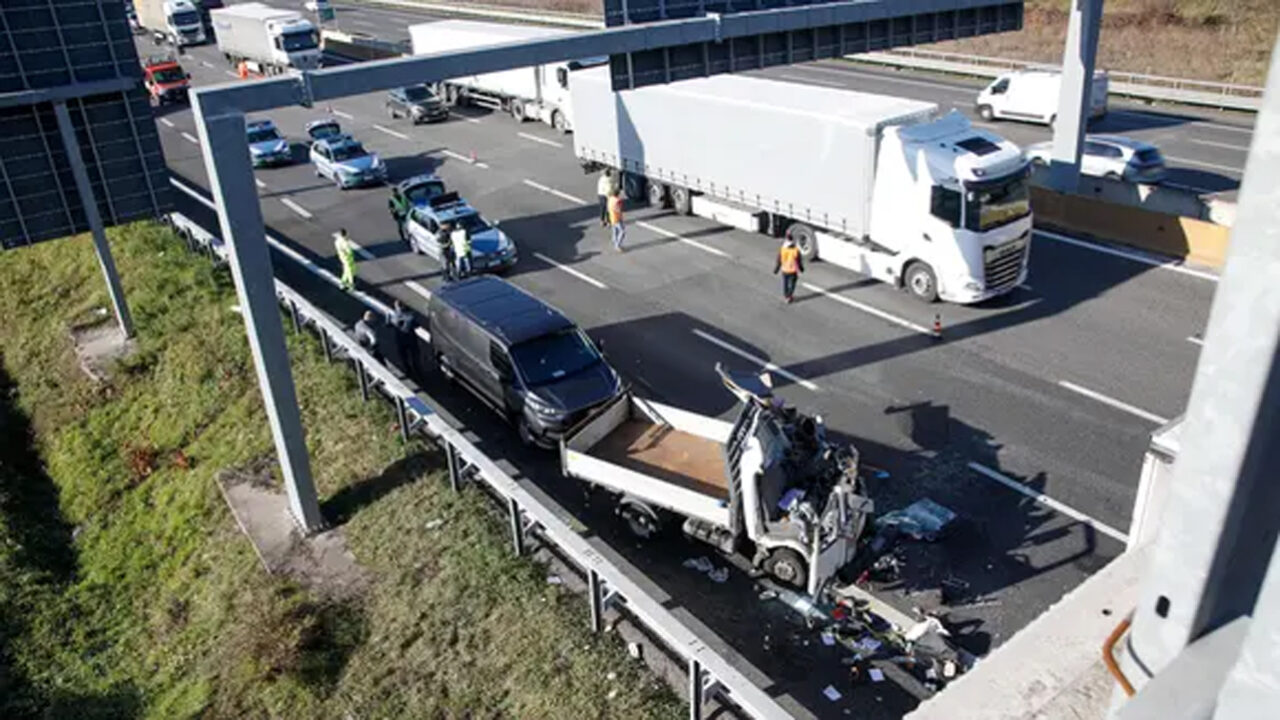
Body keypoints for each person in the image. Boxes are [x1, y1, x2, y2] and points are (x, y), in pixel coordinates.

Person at [387, 300, 421, 379]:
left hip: (400, 340)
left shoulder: (393, 316)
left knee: (403, 357)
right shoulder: (410, 316)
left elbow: (388, 325)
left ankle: (408, 371)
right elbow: (417, 325)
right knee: (415, 356)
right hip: (411, 339)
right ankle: (418, 371)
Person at [773, 235, 804, 303]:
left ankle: (786, 296)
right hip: (793, 270)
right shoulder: (796, 250)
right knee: (792, 284)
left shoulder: (782, 249)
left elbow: (779, 260)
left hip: (784, 270)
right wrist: (801, 269)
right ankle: (789, 296)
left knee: (785, 283)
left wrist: (776, 269)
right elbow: (799, 261)